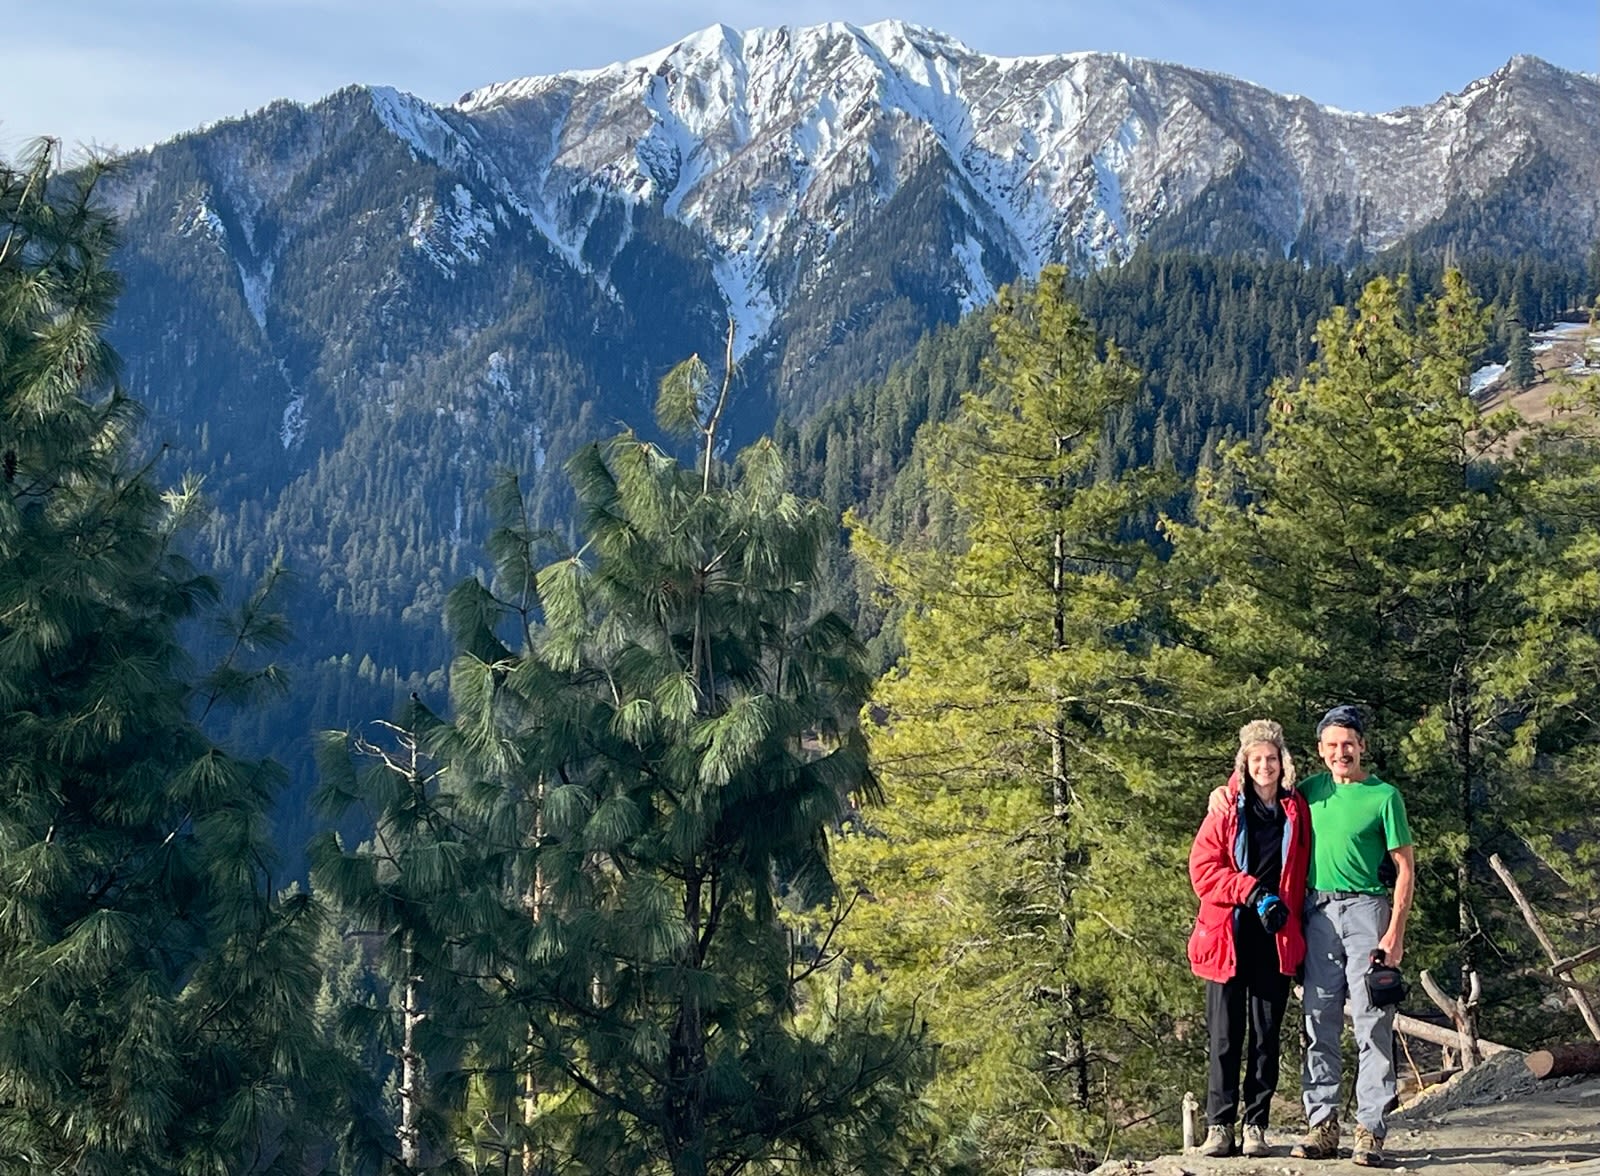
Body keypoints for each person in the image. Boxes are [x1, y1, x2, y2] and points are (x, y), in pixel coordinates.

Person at [1291, 705, 1415, 1167]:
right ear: (1321, 751)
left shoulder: (1384, 796)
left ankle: (1370, 1130)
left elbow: (1405, 868)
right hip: (1317, 910)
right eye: (1332, 745)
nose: (1341, 752)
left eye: (1349, 743)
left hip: (1367, 910)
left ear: (1362, 746)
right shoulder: (1308, 793)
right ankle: (1322, 1125)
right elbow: (1259, 797)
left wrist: (1394, 932)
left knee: (1372, 1022)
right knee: (1317, 1019)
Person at [1187, 720, 1311, 1158]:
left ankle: (1256, 1125)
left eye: (1272, 758)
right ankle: (1219, 1126)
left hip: (1273, 937)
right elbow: (1203, 873)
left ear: (1283, 762)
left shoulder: (1297, 810)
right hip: (1227, 936)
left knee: (1265, 1037)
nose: (1265, 766)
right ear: (1244, 762)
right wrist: (1252, 891)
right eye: (1256, 758)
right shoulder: (1225, 809)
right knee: (1224, 1037)